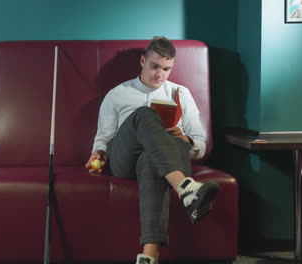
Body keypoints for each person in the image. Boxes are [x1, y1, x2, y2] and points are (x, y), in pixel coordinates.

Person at [85, 36, 220, 264]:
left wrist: (184, 137)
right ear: (142, 61)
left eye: (166, 69)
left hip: (168, 156)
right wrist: (98, 154)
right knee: (145, 114)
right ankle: (185, 188)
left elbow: (201, 145)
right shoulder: (118, 94)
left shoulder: (181, 94)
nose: (160, 74)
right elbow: (103, 139)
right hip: (125, 158)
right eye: (154, 66)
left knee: (151, 159)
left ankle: (148, 257)